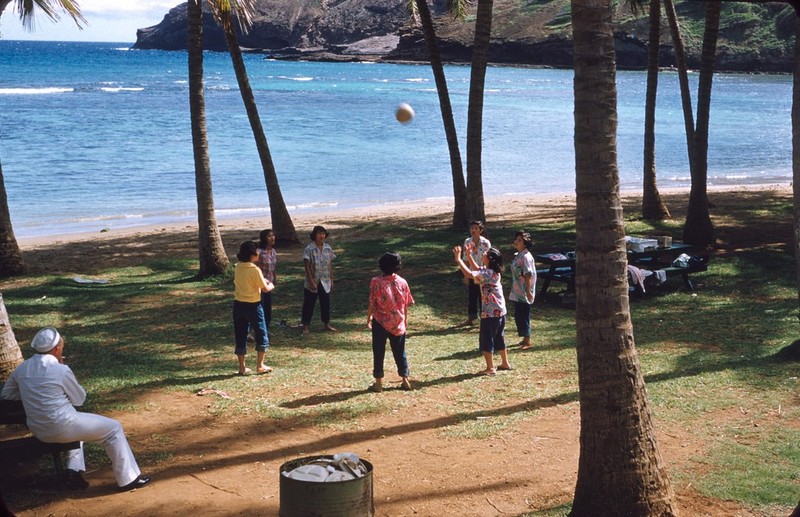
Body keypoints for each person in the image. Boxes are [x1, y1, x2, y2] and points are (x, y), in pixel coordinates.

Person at [0, 327, 151, 492]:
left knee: (80, 427)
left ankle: (73, 471)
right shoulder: (60, 370)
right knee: (114, 429)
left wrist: (34, 396)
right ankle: (128, 479)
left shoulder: (22, 368)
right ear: (57, 349)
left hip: (39, 429)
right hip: (64, 426)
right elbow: (79, 399)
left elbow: (7, 394)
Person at [453, 245, 512, 375]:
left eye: (486, 253)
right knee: (499, 337)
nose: (483, 253)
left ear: (490, 259)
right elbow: (476, 269)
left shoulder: (487, 274)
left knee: (487, 339)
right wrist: (468, 255)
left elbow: (469, 274)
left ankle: (490, 368)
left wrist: (459, 259)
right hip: (500, 311)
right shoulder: (492, 271)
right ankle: (505, 363)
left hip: (490, 313)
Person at [366, 252, 414, 392]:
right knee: (400, 351)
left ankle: (379, 382)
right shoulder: (403, 282)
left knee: (378, 351)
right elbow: (405, 304)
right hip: (398, 321)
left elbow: (372, 302)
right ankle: (405, 379)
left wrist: (368, 317)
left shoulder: (375, 281)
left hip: (380, 322)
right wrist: (405, 320)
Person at [233, 240, 274, 375]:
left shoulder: (238, 267)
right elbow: (265, 288)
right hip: (253, 306)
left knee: (241, 334)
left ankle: (242, 367)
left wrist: (263, 281)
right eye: (256, 251)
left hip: (238, 304)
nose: (258, 253)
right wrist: (271, 284)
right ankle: (260, 365)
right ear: (252, 254)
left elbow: (249, 282)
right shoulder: (255, 270)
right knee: (261, 333)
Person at [301, 225, 337, 334]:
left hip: (325, 280)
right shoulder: (309, 249)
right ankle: (306, 325)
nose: (321, 236)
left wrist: (331, 279)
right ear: (314, 235)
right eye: (319, 233)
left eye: (323, 233)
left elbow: (330, 265)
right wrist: (311, 281)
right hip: (313, 280)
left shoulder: (328, 248)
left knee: (325, 303)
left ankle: (326, 323)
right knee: (309, 303)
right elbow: (307, 266)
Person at [509, 231, 537, 350]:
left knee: (523, 314)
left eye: (520, 240)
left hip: (524, 290)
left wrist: (529, 291)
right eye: (516, 239)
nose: (516, 241)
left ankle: (527, 339)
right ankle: (524, 337)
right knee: (518, 314)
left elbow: (528, 274)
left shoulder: (526, 257)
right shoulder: (519, 254)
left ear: (525, 243)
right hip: (517, 290)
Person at [461, 220, 491, 326]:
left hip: (482, 273)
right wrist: (465, 275)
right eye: (472, 228)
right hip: (471, 273)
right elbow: (465, 259)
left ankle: (485, 318)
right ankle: (471, 317)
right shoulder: (467, 242)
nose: (473, 230)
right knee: (472, 295)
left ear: (481, 230)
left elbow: (488, 259)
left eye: (476, 228)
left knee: (482, 295)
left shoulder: (485, 243)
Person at [256, 229, 277, 328]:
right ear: (264, 239)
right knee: (260, 307)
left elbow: (273, 267)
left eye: (273, 235)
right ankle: (254, 330)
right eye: (269, 236)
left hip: (269, 283)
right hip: (260, 284)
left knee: (268, 308)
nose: (272, 238)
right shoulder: (260, 252)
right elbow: (256, 268)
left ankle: (266, 328)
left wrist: (274, 278)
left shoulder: (273, 251)